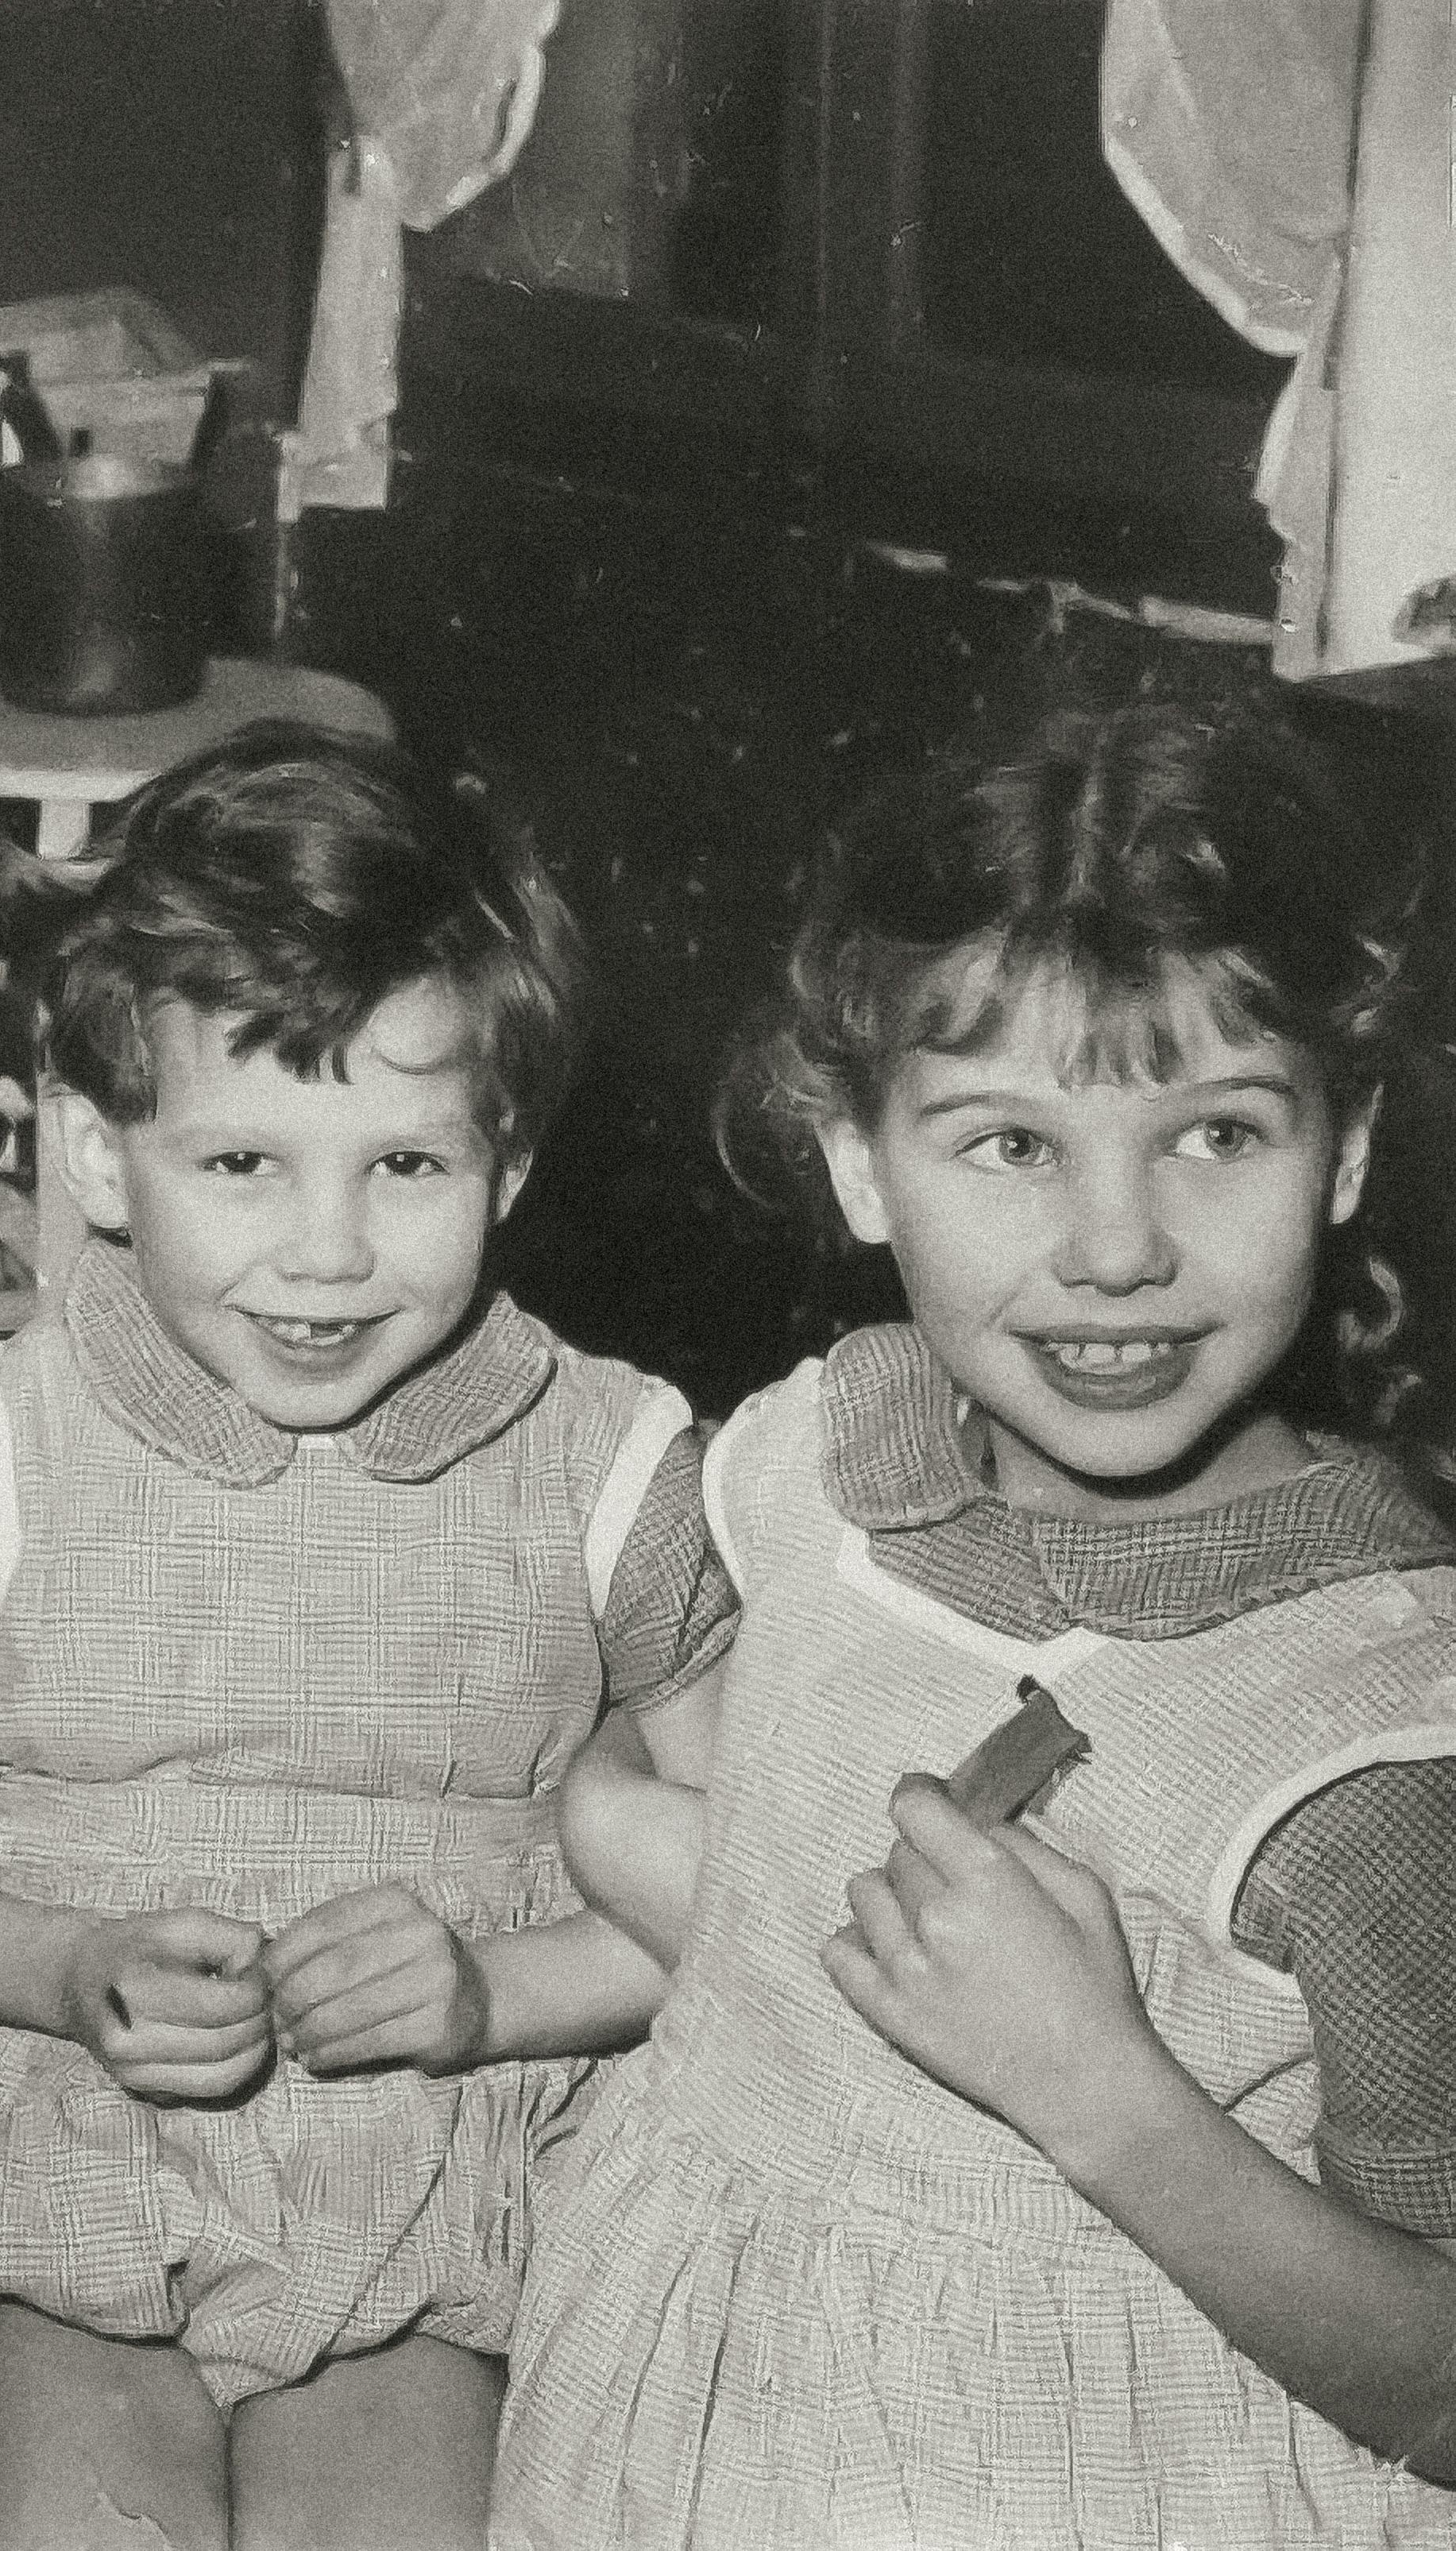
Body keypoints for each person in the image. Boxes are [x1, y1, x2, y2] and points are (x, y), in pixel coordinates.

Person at [0, 721, 738, 2551]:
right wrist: (60, 1966)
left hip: (431, 2207)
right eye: (242, 1163)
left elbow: (746, 1888)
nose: (327, 1252)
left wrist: (486, 1993)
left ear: (510, 1162)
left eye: (405, 1167)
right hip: (74, 2178)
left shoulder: (613, 1470)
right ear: (99, 1154)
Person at [511, 699, 1456, 2546]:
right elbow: (744, 1788)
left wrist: (1101, 2092)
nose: (1116, 1246)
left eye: (1218, 1135)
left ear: (1343, 1157)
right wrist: (655, 1847)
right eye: (1008, 1144)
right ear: (859, 1162)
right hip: (691, 2424)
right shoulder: (810, 1459)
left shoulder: (1380, 1755)